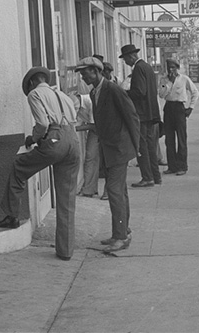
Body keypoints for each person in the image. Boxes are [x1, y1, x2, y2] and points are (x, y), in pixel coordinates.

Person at [0, 66, 80, 261]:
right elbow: (73, 119)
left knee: (19, 167)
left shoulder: (35, 94)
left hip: (54, 140)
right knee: (66, 198)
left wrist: (33, 139)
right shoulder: (63, 96)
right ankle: (65, 250)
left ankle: (12, 216)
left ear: (32, 83)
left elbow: (42, 124)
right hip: (73, 141)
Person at [75, 56, 140, 253]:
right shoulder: (96, 91)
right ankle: (122, 230)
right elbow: (103, 122)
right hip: (110, 148)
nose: (83, 77)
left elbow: (132, 117)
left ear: (96, 71)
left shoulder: (113, 89)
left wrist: (136, 148)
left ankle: (121, 237)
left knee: (114, 191)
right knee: (120, 191)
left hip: (119, 149)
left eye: (85, 73)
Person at [120, 44, 162, 188]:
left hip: (142, 113)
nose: (125, 62)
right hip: (151, 112)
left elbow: (139, 91)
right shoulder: (147, 67)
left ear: (131, 56)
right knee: (150, 146)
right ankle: (156, 176)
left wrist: (124, 93)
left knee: (142, 147)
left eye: (125, 59)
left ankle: (147, 177)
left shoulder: (138, 68)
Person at [158, 58, 199, 176]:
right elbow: (161, 94)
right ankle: (172, 166)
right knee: (169, 139)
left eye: (173, 67)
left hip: (179, 108)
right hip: (169, 107)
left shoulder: (184, 79)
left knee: (181, 138)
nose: (171, 70)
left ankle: (182, 166)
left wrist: (190, 107)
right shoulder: (164, 80)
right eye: (169, 67)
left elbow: (195, 92)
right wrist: (169, 83)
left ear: (177, 68)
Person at [72, 91, 105, 200]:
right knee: (91, 159)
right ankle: (89, 189)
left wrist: (74, 129)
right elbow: (78, 122)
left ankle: (91, 189)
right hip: (96, 129)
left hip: (101, 129)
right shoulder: (79, 105)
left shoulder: (90, 101)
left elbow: (93, 126)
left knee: (93, 159)